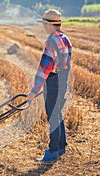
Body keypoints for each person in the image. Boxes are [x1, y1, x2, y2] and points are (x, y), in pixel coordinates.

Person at [27, 9, 72, 162]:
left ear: (49, 25)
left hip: (53, 81)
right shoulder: (65, 39)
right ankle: (61, 146)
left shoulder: (51, 41)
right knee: (57, 113)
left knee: (53, 116)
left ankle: (52, 151)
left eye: (45, 24)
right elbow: (66, 63)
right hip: (63, 79)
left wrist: (34, 91)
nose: (44, 27)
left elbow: (44, 68)